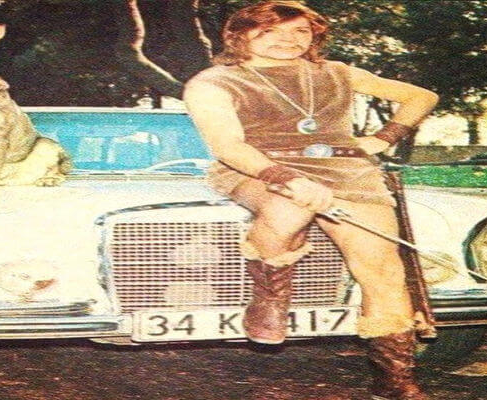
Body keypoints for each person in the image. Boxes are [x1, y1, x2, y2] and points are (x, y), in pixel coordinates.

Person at [183, 2, 438, 399]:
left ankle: (394, 383)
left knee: (384, 272)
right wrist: (288, 178)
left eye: (300, 31)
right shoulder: (214, 81)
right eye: (270, 30)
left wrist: (382, 139)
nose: (287, 39)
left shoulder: (337, 72)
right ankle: (269, 292)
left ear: (315, 37)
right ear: (239, 34)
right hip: (258, 167)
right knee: (290, 206)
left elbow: (421, 96)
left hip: (347, 171)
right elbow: (227, 146)